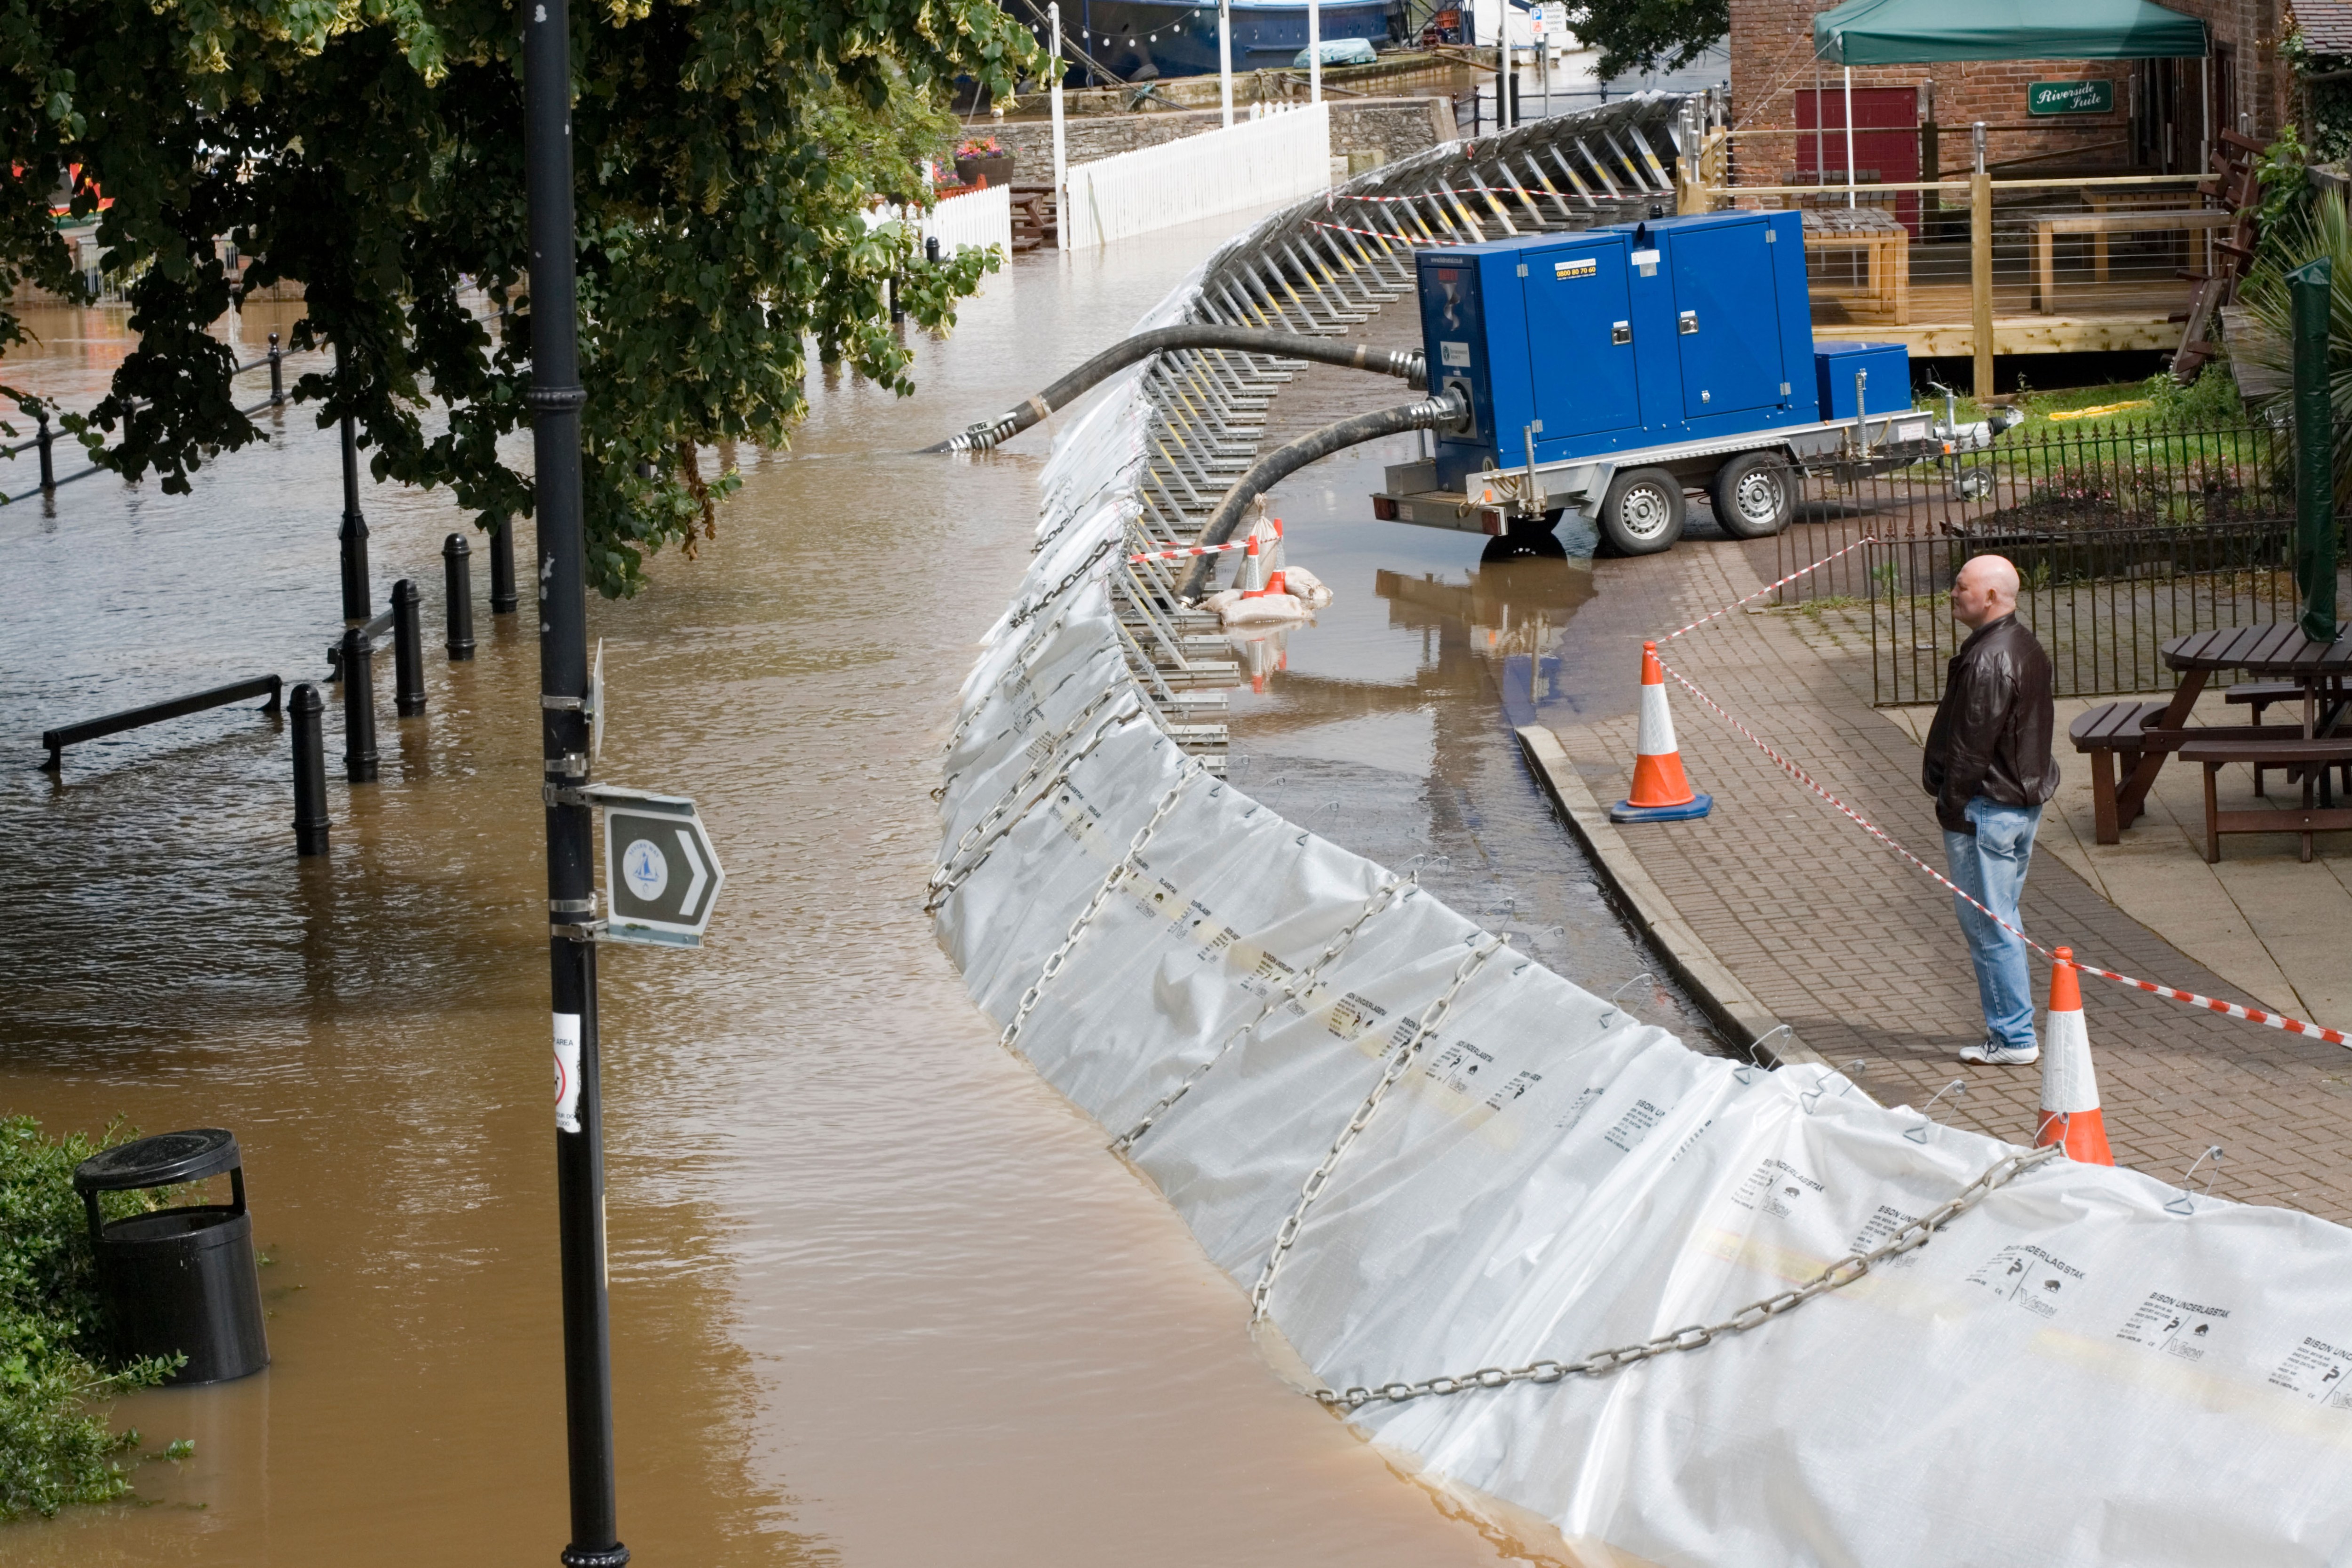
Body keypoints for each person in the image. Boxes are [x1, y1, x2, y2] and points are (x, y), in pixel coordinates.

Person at [1921, 554, 2060, 1066]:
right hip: (2018, 804)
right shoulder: (2022, 644)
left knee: (1989, 926)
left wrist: (1950, 805)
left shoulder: (1988, 659)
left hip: (1986, 809)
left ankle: (2012, 1037)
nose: (1952, 594)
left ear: (1991, 599)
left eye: (1961, 587)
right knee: (2003, 919)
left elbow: (1970, 747)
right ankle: (2012, 1029)